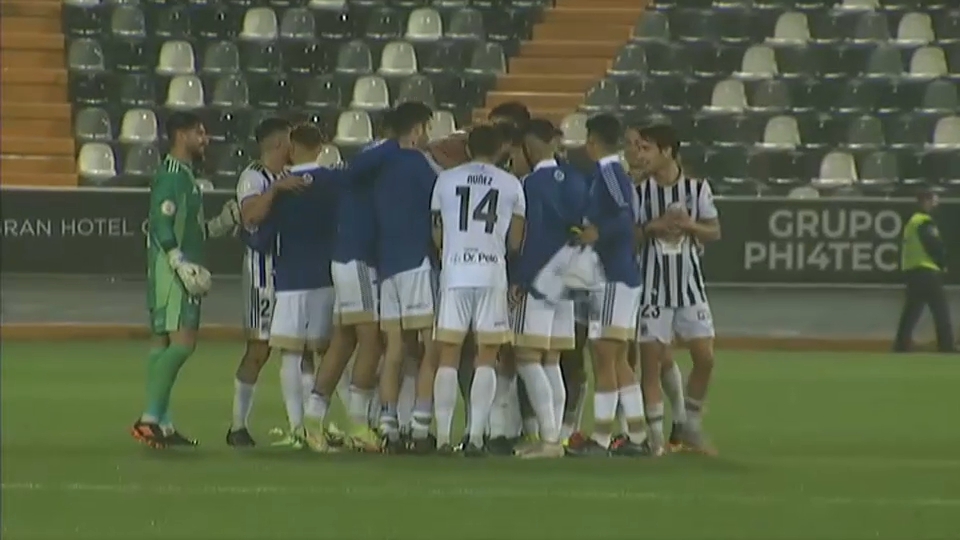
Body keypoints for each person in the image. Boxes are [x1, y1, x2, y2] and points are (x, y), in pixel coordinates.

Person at [133, 111, 240, 448]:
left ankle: (162, 424)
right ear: (181, 135)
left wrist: (221, 224)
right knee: (183, 343)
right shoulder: (172, 176)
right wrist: (179, 263)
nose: (205, 139)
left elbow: (190, 230)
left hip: (165, 270)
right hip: (173, 273)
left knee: (162, 344)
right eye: (199, 132)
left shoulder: (184, 176)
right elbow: (160, 224)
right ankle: (150, 418)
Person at [430, 125, 526, 455]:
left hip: (455, 272)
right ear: (500, 149)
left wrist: (452, 252)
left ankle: (443, 438)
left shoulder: (445, 180)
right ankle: (475, 437)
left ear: (468, 149)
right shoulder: (511, 184)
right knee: (487, 355)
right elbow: (515, 242)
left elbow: (437, 232)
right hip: (491, 272)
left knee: (448, 355)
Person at [243, 123, 337, 451]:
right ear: (321, 148)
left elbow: (259, 235)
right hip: (326, 279)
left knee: (291, 354)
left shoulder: (283, 188)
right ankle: (321, 424)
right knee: (324, 352)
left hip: (292, 280)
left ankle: (298, 428)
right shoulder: (335, 183)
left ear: (292, 148)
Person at [633, 124, 721, 455]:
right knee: (651, 364)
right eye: (639, 148)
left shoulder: (696, 189)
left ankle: (691, 426)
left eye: (647, 148)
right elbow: (629, 237)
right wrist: (651, 227)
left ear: (667, 151)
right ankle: (656, 438)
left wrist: (689, 226)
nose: (640, 155)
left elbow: (714, 231)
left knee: (705, 358)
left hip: (689, 288)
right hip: (652, 289)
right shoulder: (639, 192)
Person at [568, 114, 648, 457]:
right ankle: (637, 436)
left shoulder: (609, 172)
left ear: (593, 141)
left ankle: (601, 439)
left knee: (603, 355)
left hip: (613, 277)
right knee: (617, 360)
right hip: (620, 276)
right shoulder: (610, 172)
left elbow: (624, 216)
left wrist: (597, 233)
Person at [510, 119, 589, 459]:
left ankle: (549, 439)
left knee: (528, 356)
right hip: (568, 280)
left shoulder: (530, 184)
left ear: (530, 146)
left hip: (540, 279)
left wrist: (521, 278)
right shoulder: (576, 180)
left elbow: (534, 237)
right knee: (552, 359)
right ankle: (554, 436)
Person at [228, 118, 309, 447]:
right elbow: (250, 216)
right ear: (278, 143)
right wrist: (276, 191)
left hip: (290, 274)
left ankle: (302, 427)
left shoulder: (290, 175)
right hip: (262, 275)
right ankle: (237, 426)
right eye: (290, 140)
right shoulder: (254, 177)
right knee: (259, 350)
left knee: (299, 348)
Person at [367, 102, 442, 452]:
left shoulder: (381, 164)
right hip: (415, 262)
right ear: (416, 130)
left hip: (387, 265)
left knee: (394, 348)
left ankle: (388, 425)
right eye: (426, 128)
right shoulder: (419, 164)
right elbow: (440, 200)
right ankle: (421, 427)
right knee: (431, 346)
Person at [623, 124, 689, 451]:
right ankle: (634, 429)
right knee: (629, 356)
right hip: (628, 275)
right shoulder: (626, 184)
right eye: (632, 146)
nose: (636, 152)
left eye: (641, 146)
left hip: (652, 280)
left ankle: (668, 426)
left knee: (656, 356)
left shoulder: (661, 187)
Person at [894, 190, 955, 353]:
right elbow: (933, 244)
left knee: (911, 311)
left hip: (912, 271)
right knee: (940, 309)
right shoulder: (924, 221)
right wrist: (942, 262)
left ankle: (900, 345)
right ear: (926, 201)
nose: (936, 204)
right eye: (934, 200)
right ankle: (946, 345)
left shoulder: (912, 221)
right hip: (926, 271)